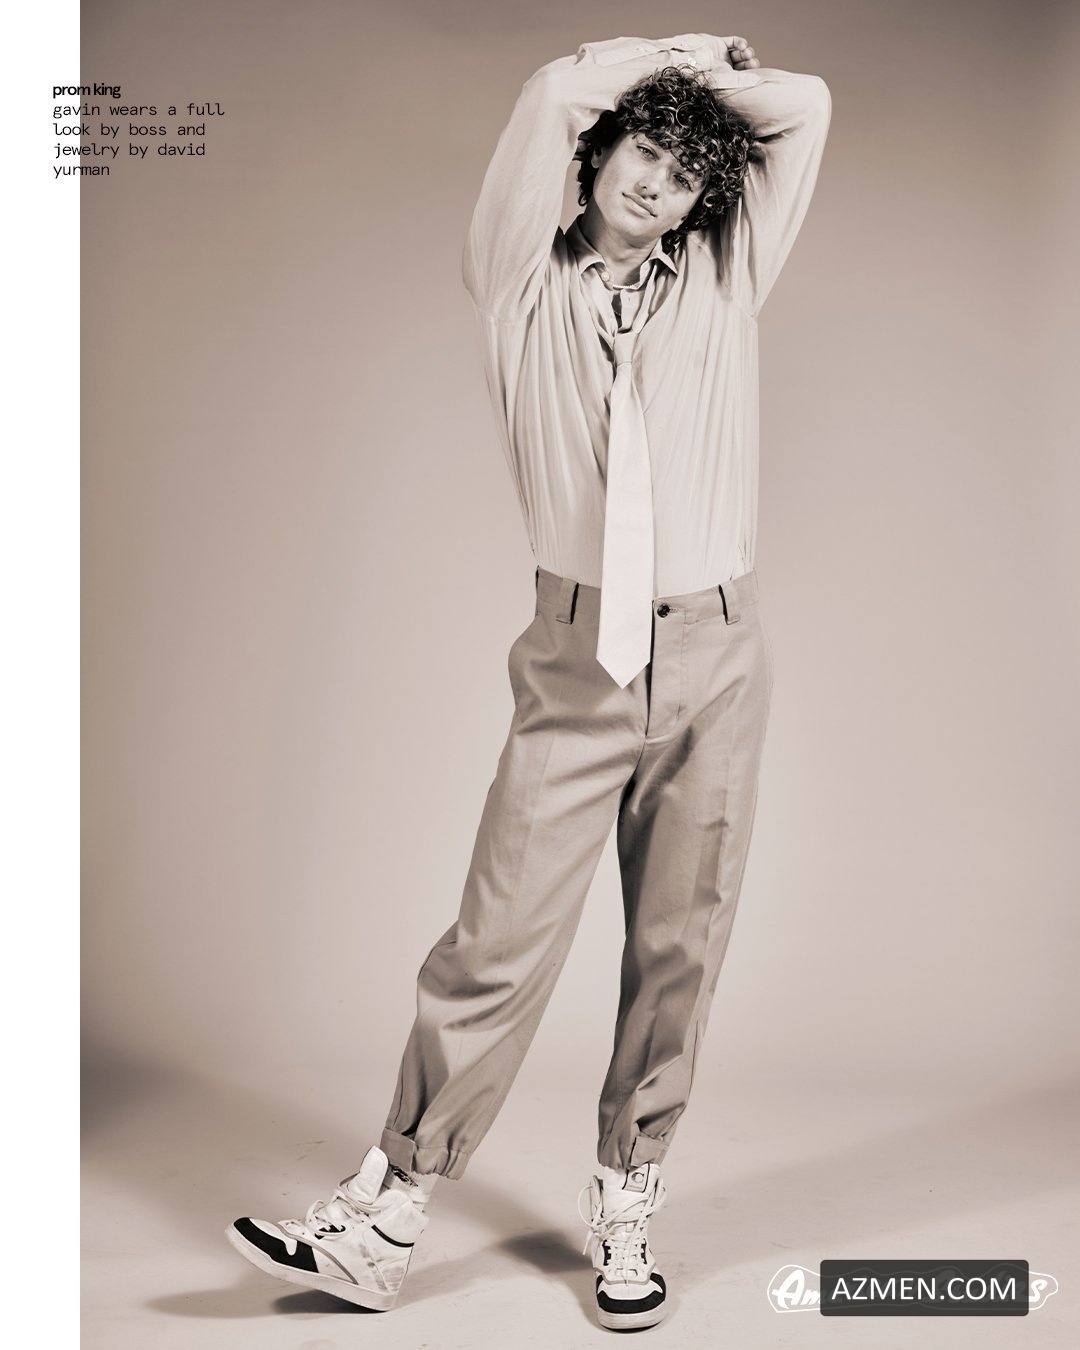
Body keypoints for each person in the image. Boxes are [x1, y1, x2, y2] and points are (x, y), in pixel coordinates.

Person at [226, 30, 830, 1331]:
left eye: (685, 174)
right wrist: (683, 56)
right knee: (495, 941)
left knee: (680, 944)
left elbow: (806, 103)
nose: (658, 185)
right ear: (599, 153)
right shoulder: (515, 278)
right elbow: (552, 90)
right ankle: (386, 1213)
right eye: (644, 152)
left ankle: (629, 1193)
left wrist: (712, 92)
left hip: (717, 651)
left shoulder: (724, 275)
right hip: (578, 653)